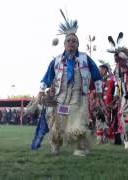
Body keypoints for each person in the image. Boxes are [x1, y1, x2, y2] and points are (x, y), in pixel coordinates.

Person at [37, 9, 106, 156]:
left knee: (79, 122)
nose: (71, 43)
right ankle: (56, 145)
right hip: (60, 97)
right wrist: (41, 91)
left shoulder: (85, 58)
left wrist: (99, 93)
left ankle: (80, 147)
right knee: (57, 123)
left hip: (79, 97)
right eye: (68, 41)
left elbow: (97, 76)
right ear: (64, 44)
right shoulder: (56, 61)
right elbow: (47, 77)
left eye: (74, 41)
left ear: (78, 44)